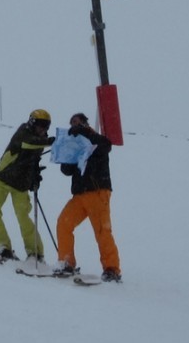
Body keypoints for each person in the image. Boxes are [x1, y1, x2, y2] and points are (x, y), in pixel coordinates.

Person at [54, 112, 122, 282]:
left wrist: (84, 133)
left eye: (76, 122)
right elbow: (67, 170)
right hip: (80, 194)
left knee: (102, 231)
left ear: (85, 123)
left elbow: (106, 145)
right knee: (64, 223)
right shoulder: (76, 143)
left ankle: (111, 269)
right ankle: (66, 263)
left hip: (98, 191)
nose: (73, 125)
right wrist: (66, 154)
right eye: (71, 123)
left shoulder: (95, 138)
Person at [0, 109, 54, 262]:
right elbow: (28, 144)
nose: (43, 129)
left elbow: (32, 161)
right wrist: (53, 141)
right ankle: (3, 247)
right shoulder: (23, 133)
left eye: (46, 126)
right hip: (3, 178)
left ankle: (35, 253)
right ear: (31, 122)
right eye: (40, 124)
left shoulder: (41, 141)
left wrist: (35, 176)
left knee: (23, 216)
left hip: (20, 184)